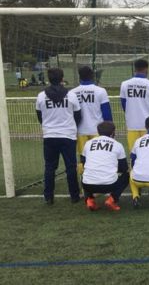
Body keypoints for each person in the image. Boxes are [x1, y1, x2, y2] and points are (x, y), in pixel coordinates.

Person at [35, 68, 82, 204]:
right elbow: (78, 116)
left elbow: (40, 116)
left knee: (50, 167)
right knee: (71, 166)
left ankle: (48, 196)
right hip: (68, 135)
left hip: (49, 135)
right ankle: (74, 196)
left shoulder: (41, 96)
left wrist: (49, 126)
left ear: (49, 79)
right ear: (62, 78)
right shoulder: (72, 95)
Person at [71, 66, 113, 176]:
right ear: (92, 76)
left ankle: (84, 185)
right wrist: (111, 129)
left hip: (80, 131)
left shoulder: (72, 92)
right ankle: (101, 181)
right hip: (98, 130)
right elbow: (106, 112)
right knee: (100, 157)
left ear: (80, 77)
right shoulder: (100, 91)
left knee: (83, 158)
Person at [81, 121, 129, 211]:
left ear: (98, 132)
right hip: (109, 185)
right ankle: (112, 199)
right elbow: (124, 168)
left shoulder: (88, 143)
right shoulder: (118, 145)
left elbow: (83, 161)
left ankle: (89, 199)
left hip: (87, 185)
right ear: (113, 132)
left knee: (85, 173)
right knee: (127, 176)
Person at [120, 59, 149, 150]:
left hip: (132, 124)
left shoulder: (124, 84)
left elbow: (124, 104)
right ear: (147, 69)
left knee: (134, 153)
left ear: (135, 69)